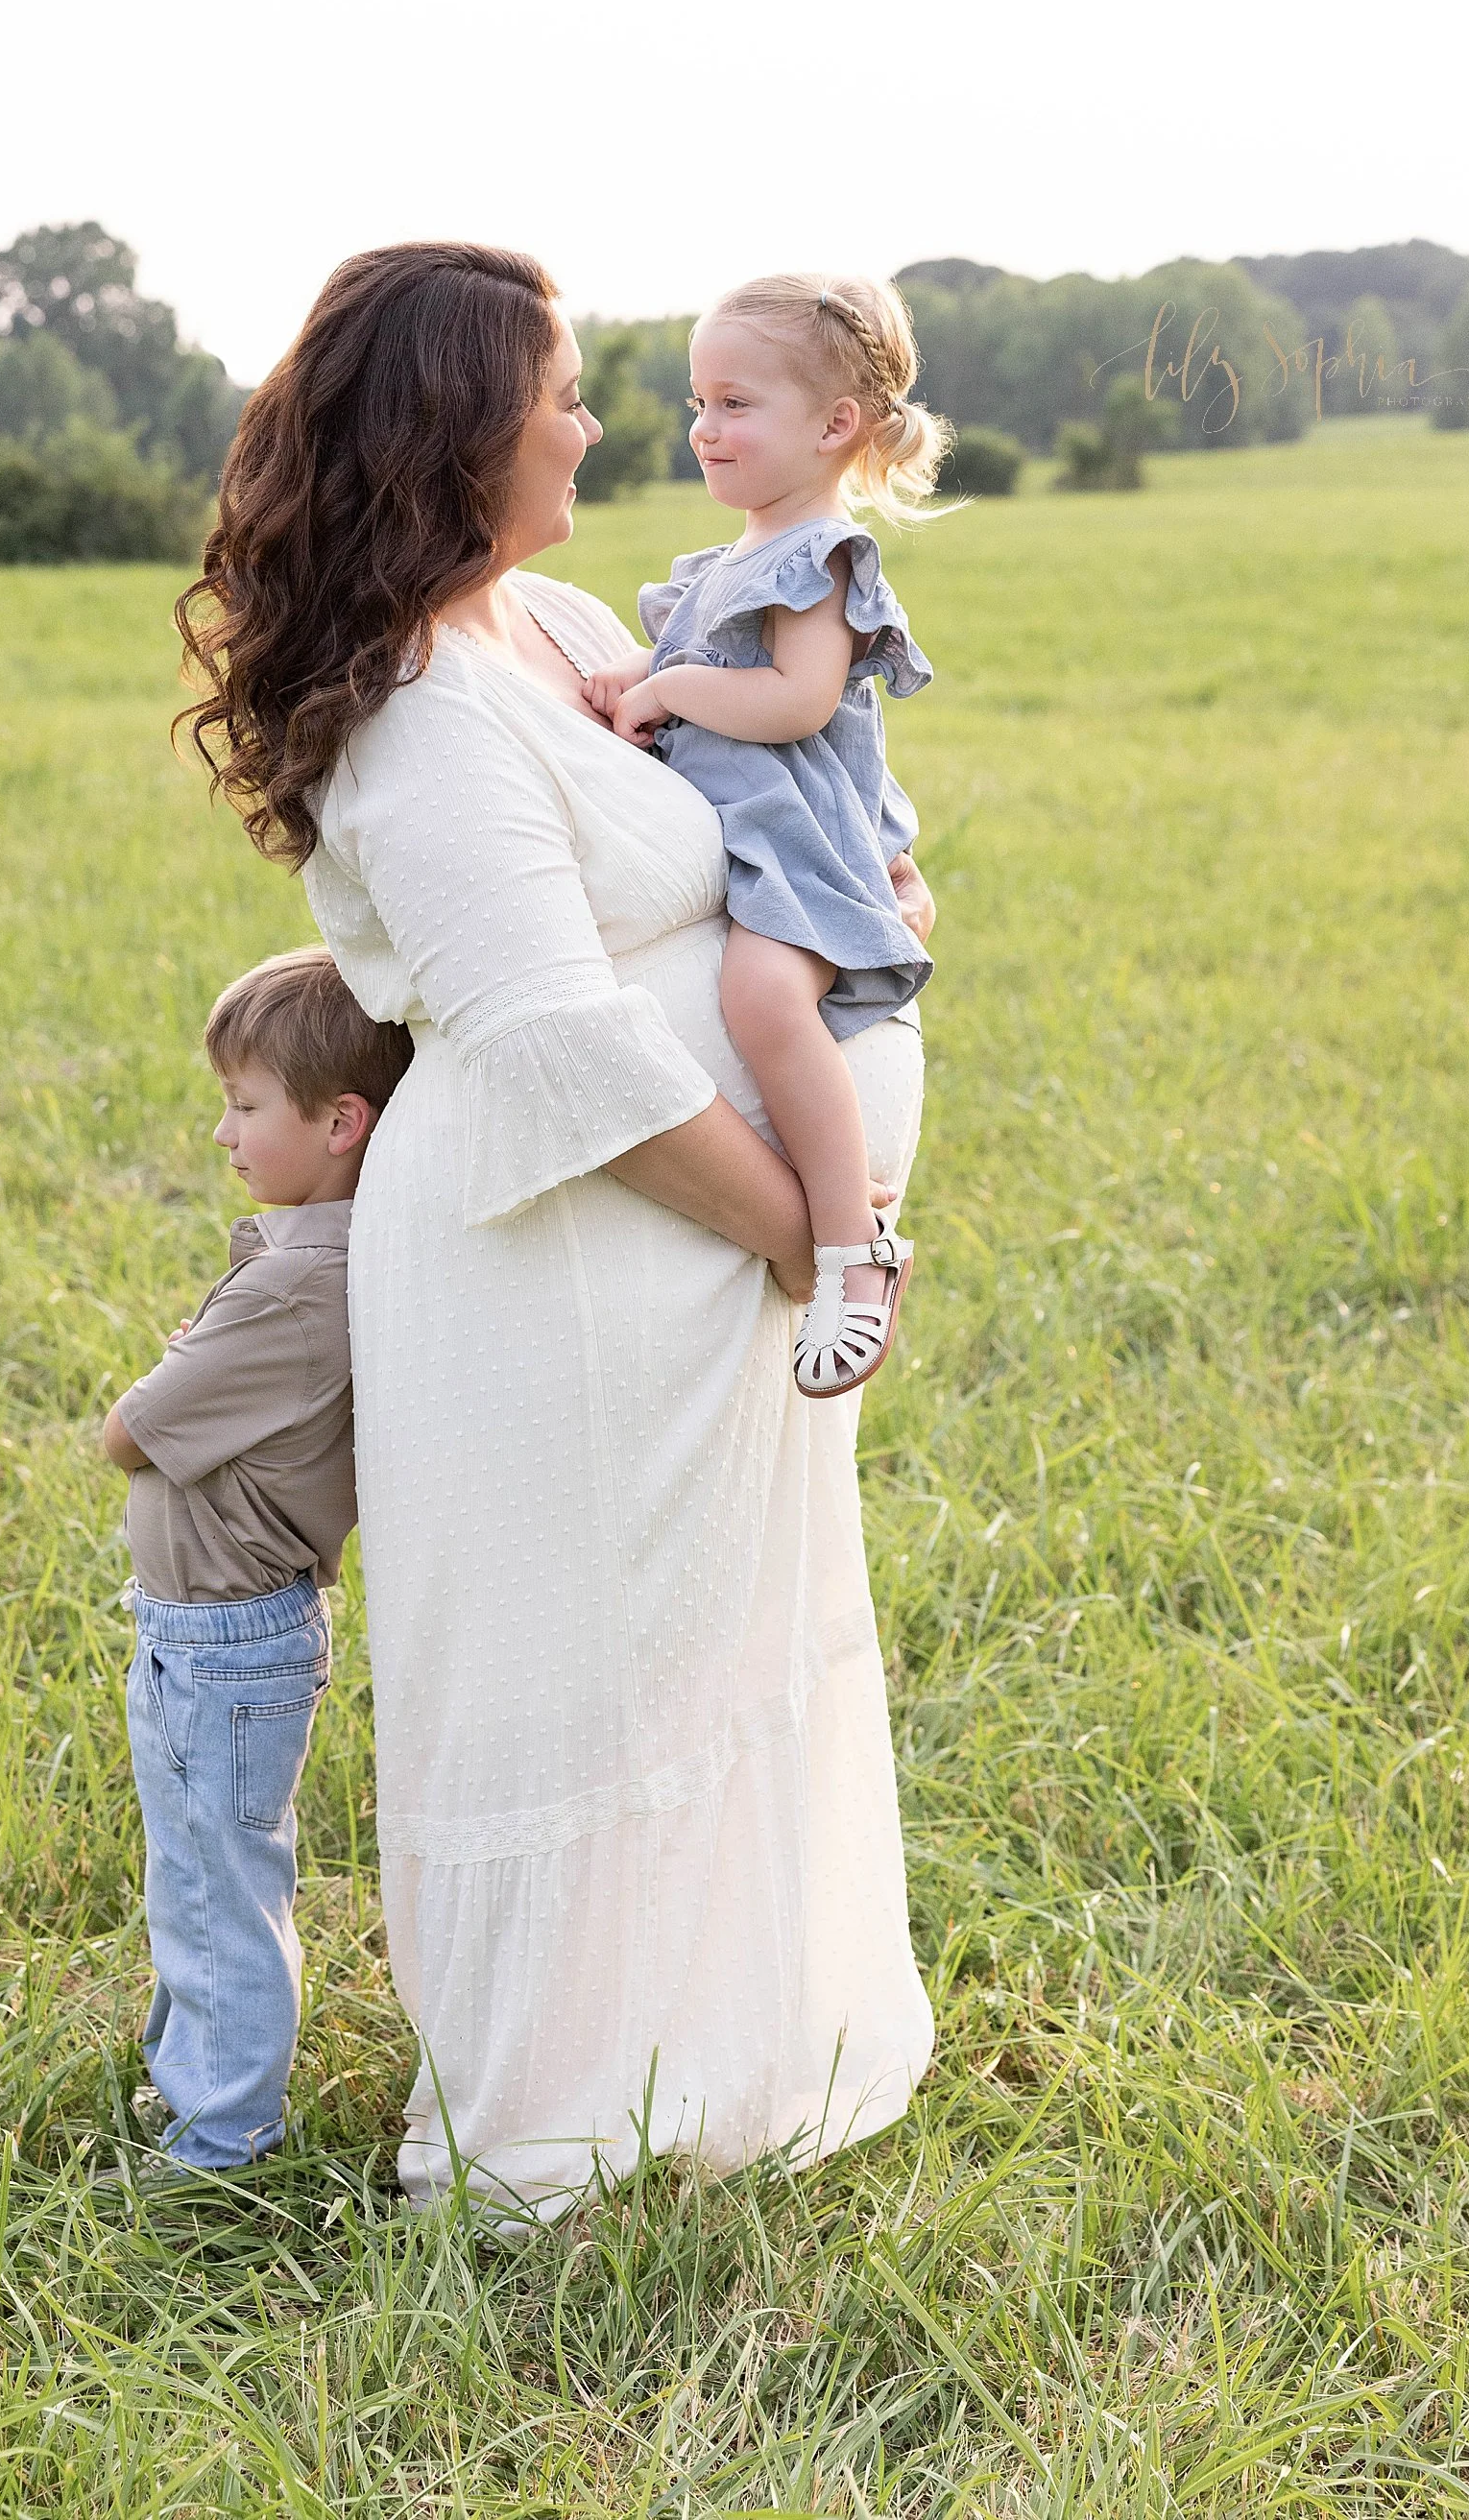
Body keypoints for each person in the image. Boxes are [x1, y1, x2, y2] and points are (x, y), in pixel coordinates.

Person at [175, 241, 938, 2218]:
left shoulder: (561, 620)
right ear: (460, 426)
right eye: (566, 390)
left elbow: (745, 821)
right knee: (576, 1673)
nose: (599, 426)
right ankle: (550, 2128)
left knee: (699, 1653)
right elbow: (545, 1039)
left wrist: (872, 888)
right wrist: (802, 1222)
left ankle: (709, 2063)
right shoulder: (422, 713)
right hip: (564, 1256)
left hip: (684, 1259)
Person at [585, 274, 950, 1399]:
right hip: (748, 833)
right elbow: (701, 672)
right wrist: (635, 674)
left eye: (734, 403)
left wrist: (672, 687)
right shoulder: (721, 567)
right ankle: (840, 1235)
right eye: (700, 401)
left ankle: (849, 1247)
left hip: (796, 843)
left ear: (833, 425)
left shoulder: (819, 560)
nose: (703, 428)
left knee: (761, 998)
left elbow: (792, 701)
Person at [102, 948, 412, 2172]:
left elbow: (124, 1434)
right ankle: (188, 2087)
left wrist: (174, 1358)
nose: (221, 1132)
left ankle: (219, 2140)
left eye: (244, 1106)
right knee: (194, 1875)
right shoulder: (329, 1259)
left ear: (340, 1122)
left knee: (217, 1892)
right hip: (218, 1628)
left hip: (222, 1636)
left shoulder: (290, 1280)